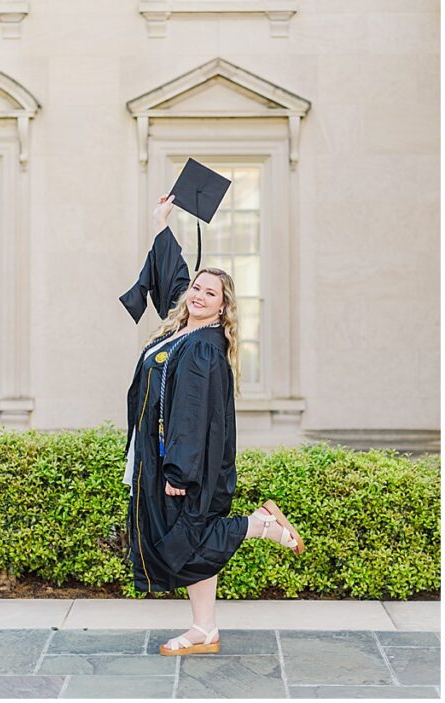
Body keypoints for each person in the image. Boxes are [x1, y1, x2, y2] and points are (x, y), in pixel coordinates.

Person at [118, 193, 304, 656]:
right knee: (189, 541)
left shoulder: (202, 347)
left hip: (183, 466)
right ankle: (205, 628)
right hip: (159, 456)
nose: (198, 295)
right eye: (196, 289)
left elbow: (192, 412)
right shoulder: (181, 330)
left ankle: (259, 526)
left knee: (182, 542)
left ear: (223, 308)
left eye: (210, 293)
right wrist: (161, 220)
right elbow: (174, 276)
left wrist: (180, 472)